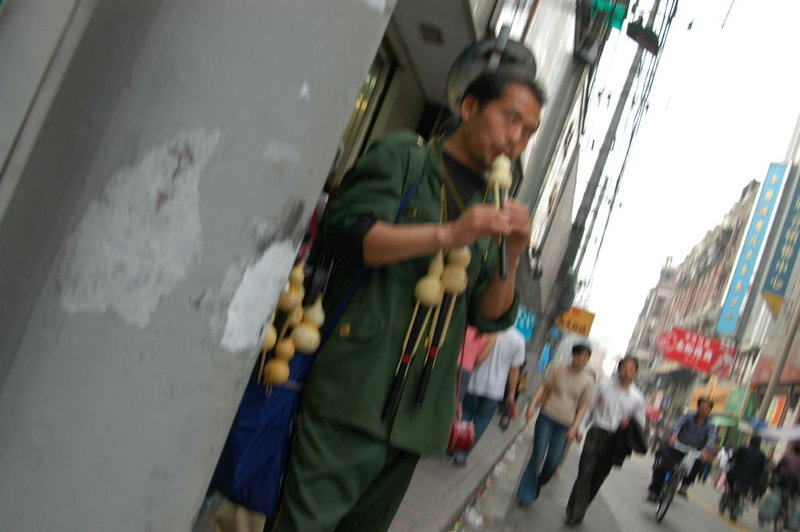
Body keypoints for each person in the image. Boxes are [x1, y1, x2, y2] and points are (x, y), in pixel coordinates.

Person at [273, 71, 545, 532]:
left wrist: (513, 256)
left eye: (528, 131)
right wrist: (450, 233)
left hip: (417, 414)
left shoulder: (493, 203)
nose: (515, 138)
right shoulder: (406, 157)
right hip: (353, 391)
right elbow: (347, 234)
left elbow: (489, 315)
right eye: (510, 118)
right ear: (469, 108)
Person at [564, 357, 647, 526]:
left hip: (615, 440)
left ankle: (579, 508)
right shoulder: (604, 386)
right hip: (596, 433)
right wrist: (580, 428)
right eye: (624, 368)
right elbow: (589, 407)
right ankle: (574, 513)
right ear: (618, 368)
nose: (627, 372)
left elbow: (640, 423)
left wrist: (629, 423)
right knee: (584, 474)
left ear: (636, 373)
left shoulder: (637, 397)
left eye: (631, 370)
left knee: (598, 478)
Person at [515, 344, 595, 507]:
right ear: (573, 355)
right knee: (537, 455)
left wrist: (574, 428)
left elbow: (583, 406)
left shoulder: (588, 381)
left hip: (565, 425)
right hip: (547, 416)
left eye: (585, 358)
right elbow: (543, 387)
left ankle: (537, 483)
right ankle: (525, 494)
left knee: (552, 462)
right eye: (579, 356)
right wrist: (532, 405)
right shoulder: (558, 369)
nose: (581, 360)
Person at [453, 326, 525, 466]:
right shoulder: (518, 340)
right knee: (480, 422)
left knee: (465, 414)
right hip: (494, 390)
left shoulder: (487, 329)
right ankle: (461, 455)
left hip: (474, 382)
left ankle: (455, 443)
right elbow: (514, 370)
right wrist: (511, 393)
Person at [647, 398, 716, 501]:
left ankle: (684, 487)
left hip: (694, 452)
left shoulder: (711, 425)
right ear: (698, 407)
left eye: (707, 408)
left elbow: (711, 438)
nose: (703, 410)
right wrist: (674, 434)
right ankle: (654, 492)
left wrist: (706, 449)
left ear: (710, 410)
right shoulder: (688, 416)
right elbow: (678, 424)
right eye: (702, 407)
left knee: (697, 465)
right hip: (679, 447)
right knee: (662, 467)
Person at [457, 326, 497, 404]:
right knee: (456, 401)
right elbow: (479, 360)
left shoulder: (470, 323)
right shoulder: (492, 335)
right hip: (466, 369)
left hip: (452, 363)